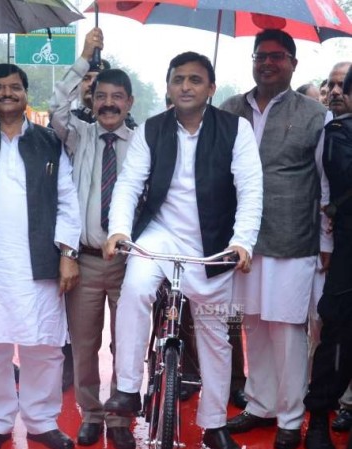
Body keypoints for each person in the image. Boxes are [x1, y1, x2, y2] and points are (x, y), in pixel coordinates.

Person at [102, 51, 263, 449]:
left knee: (215, 335)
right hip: (158, 234)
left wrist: (242, 241)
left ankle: (213, 425)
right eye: (178, 80)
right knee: (135, 291)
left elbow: (250, 189)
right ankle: (127, 388)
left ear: (210, 87)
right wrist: (119, 230)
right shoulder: (152, 130)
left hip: (213, 243)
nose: (186, 87)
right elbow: (128, 185)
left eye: (195, 80)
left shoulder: (235, 129)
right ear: (168, 87)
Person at [221, 29, 331, 449]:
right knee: (252, 325)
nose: (267, 63)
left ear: (293, 64)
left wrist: (325, 242)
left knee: (286, 329)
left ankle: (290, 416)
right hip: (241, 241)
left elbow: (323, 183)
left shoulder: (313, 114)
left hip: (293, 239)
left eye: (277, 56)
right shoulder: (230, 109)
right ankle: (261, 404)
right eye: (260, 55)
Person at [0, 63, 81, 449]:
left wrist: (68, 252)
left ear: (26, 94)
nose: (8, 93)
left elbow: (68, 201)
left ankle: (41, 421)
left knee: (44, 348)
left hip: (41, 264)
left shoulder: (48, 141)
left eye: (15, 87)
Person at [49, 28, 136, 449]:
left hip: (129, 263)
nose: (108, 103)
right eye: (101, 95)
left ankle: (119, 417)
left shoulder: (141, 146)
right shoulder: (77, 135)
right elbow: (54, 106)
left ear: (129, 103)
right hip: (83, 260)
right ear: (92, 99)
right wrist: (84, 58)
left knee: (129, 342)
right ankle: (92, 414)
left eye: (117, 96)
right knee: (84, 346)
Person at [304, 65, 352, 449]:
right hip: (347, 249)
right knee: (335, 334)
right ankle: (319, 414)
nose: (336, 93)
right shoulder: (338, 134)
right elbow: (335, 182)